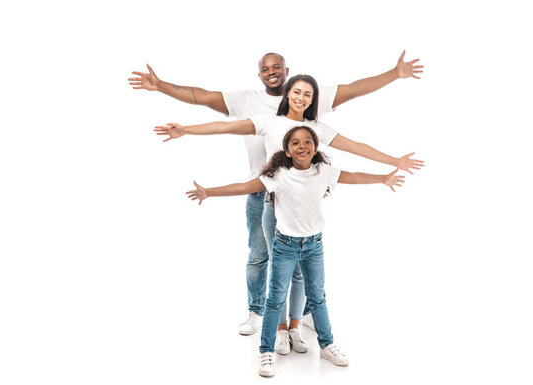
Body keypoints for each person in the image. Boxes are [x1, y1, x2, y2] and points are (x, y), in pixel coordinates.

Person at [131, 52, 423, 337]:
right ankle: (261, 312)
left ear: (289, 72)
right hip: (264, 193)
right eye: (266, 68)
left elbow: (354, 106)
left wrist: (394, 79)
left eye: (278, 68)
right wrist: (179, 118)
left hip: (300, 196)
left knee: (298, 265)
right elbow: (215, 112)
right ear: (260, 74)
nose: (273, 73)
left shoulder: (313, 113)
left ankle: (296, 320)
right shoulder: (259, 112)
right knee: (260, 256)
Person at [185, 125, 406, 377]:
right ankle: (266, 351)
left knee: (318, 297)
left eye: (308, 141)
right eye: (296, 143)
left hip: (314, 245)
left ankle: (327, 344)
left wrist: (383, 178)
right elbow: (244, 186)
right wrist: (209, 192)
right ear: (287, 151)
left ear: (315, 147)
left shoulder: (323, 171)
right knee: (275, 298)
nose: (303, 146)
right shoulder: (279, 175)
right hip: (285, 246)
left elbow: (353, 176)